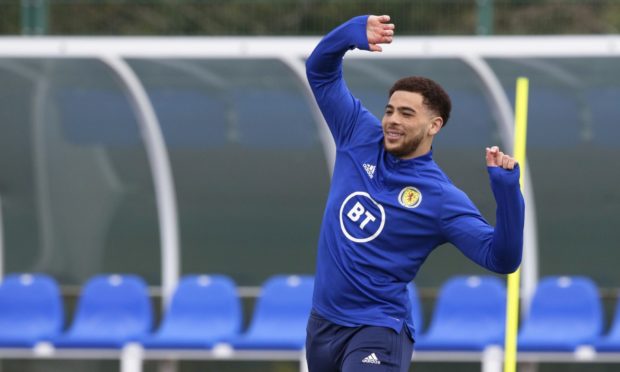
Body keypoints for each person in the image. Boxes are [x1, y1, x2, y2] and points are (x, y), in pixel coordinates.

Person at [304, 14, 525, 372]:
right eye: (390, 110)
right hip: (321, 327)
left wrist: (507, 191)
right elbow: (320, 71)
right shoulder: (358, 134)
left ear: (434, 125)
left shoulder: (440, 198)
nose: (392, 120)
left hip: (377, 330)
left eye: (407, 114)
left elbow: (502, 258)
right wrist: (349, 34)